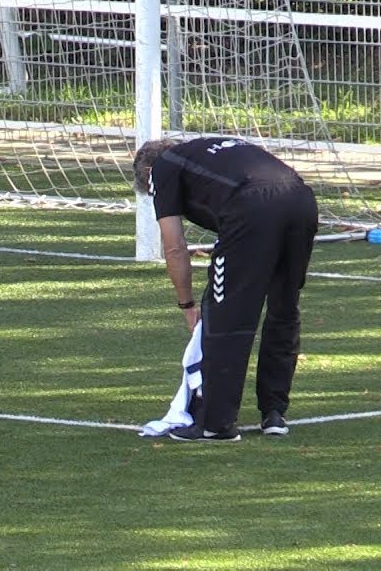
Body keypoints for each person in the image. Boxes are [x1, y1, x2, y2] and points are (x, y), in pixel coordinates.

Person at [132, 136, 318, 441]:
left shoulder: (163, 167)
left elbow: (175, 247)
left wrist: (187, 304)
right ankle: (274, 412)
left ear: (148, 173)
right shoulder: (209, 150)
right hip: (301, 200)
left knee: (225, 313)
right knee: (284, 306)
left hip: (251, 206)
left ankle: (215, 423)